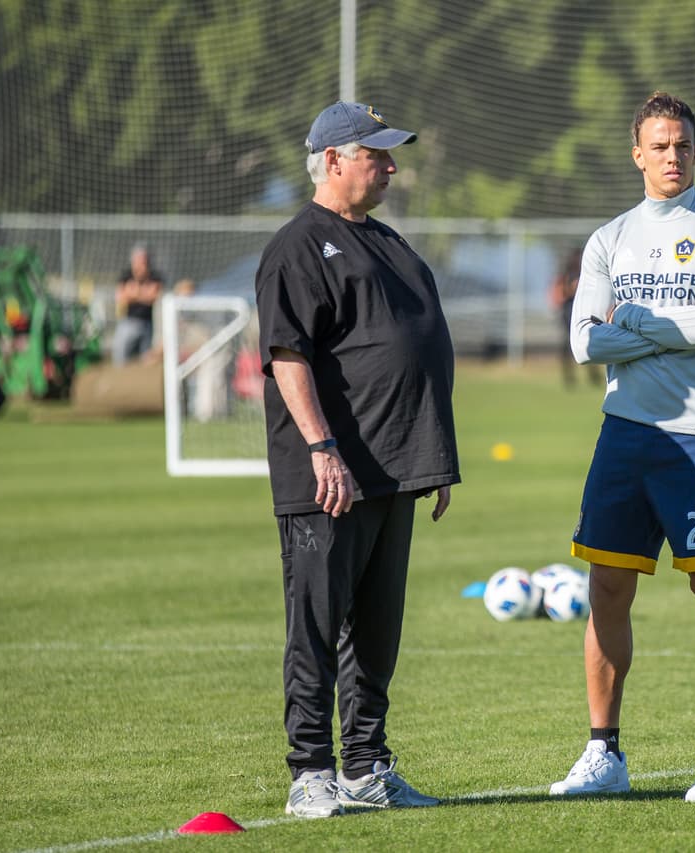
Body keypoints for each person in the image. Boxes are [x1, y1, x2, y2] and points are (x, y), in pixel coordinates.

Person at [550, 92, 695, 803]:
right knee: (605, 588)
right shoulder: (609, 239)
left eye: (683, 145)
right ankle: (604, 753)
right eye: (660, 145)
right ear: (637, 152)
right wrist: (660, 325)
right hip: (624, 434)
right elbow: (584, 341)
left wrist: (632, 319)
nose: (673, 157)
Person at [255, 101, 460, 819]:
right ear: (334, 159)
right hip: (329, 476)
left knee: (376, 632)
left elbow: (418, 349)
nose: (392, 166)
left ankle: (367, 765)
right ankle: (310, 770)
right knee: (316, 624)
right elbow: (288, 356)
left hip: (394, 469)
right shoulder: (298, 247)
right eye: (378, 154)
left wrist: (430, 458)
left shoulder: (392, 243)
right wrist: (321, 447)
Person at [549, 246, 600, 387]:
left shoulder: (586, 273)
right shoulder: (566, 275)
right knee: (567, 345)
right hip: (568, 312)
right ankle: (569, 378)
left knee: (589, 342)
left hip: (585, 311)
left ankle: (594, 376)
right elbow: (558, 294)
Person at [111, 243, 164, 365]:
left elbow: (154, 295)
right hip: (128, 322)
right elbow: (121, 297)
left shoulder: (155, 276)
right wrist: (142, 293)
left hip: (147, 323)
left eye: (144, 259)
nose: (141, 263)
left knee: (146, 358)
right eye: (139, 259)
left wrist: (134, 293)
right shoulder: (126, 276)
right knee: (120, 356)